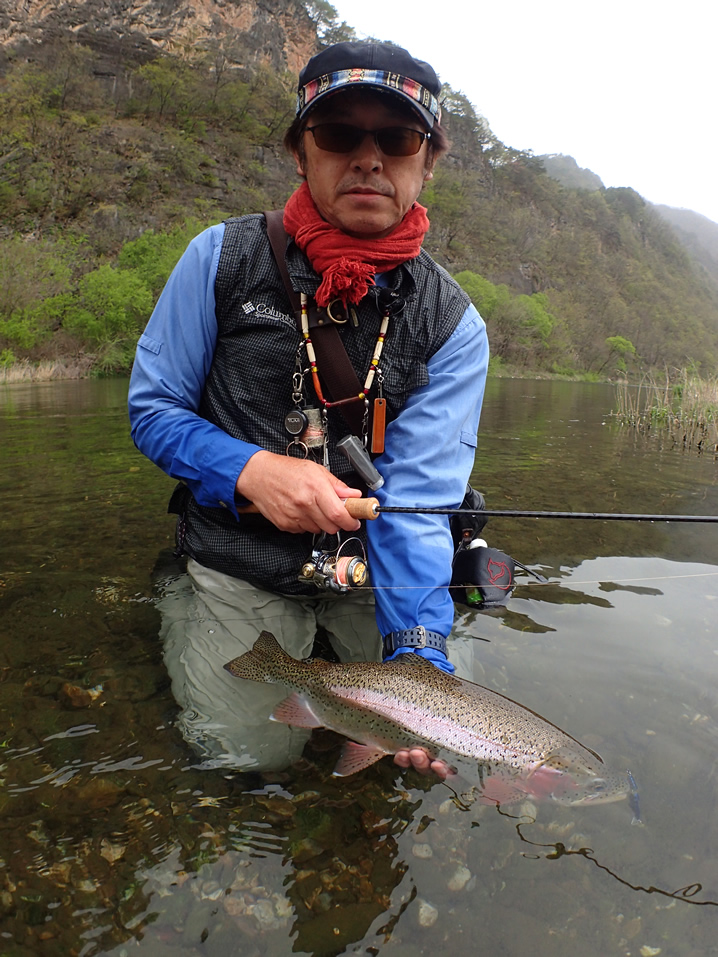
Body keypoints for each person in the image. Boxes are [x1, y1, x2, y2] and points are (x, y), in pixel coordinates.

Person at [128, 40, 489, 776]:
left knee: (433, 733)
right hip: (242, 556)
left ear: (428, 161)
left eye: (396, 138)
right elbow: (154, 409)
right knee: (244, 756)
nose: (368, 158)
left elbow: (418, 506)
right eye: (337, 135)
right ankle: (182, 594)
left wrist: (419, 659)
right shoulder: (219, 259)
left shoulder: (454, 325)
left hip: (370, 573)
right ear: (301, 151)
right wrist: (249, 468)